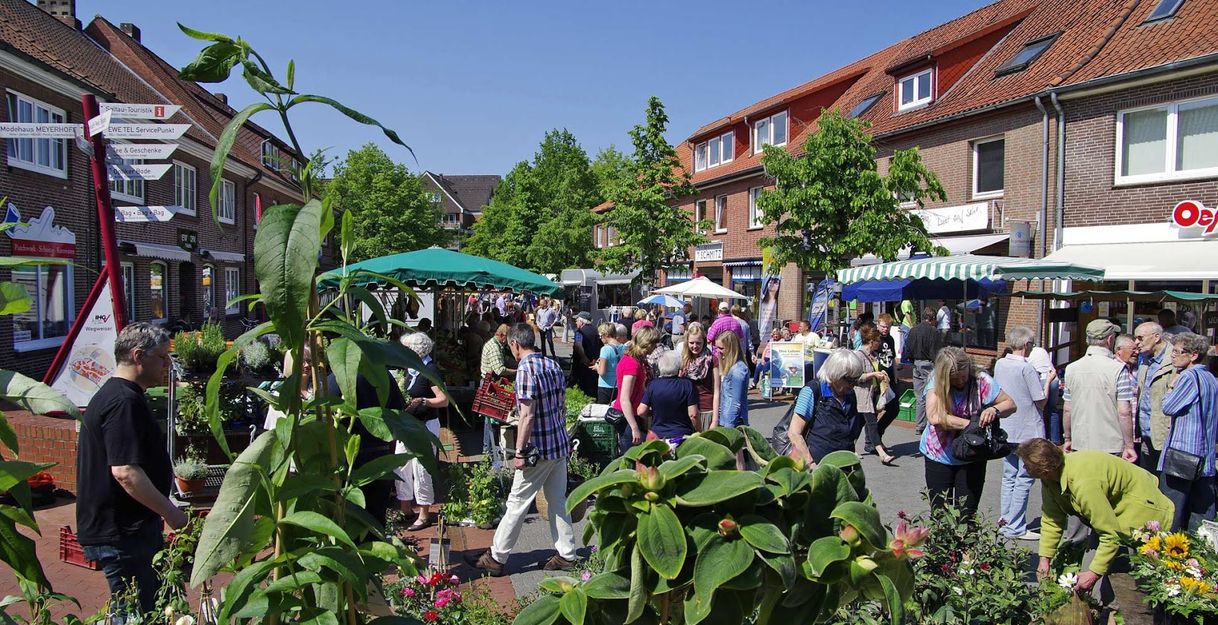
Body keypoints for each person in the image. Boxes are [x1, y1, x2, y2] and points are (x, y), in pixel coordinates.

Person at [77, 323, 188, 615]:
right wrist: (172, 513)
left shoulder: (118, 395)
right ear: (138, 356)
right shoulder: (123, 402)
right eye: (162, 357)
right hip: (123, 533)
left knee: (140, 609)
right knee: (135, 613)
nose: (168, 364)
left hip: (124, 530)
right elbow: (125, 471)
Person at [470, 324, 577, 576]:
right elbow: (561, 406)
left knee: (517, 502)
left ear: (515, 344)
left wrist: (519, 452)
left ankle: (496, 557)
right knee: (557, 501)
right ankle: (567, 554)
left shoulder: (525, 370)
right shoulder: (552, 365)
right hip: (558, 444)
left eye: (511, 346)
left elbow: (527, 416)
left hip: (537, 450)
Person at [1022, 439, 1173, 595]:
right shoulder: (1050, 479)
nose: (1024, 468)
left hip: (1142, 513)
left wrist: (1094, 574)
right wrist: (1044, 559)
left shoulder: (1083, 482)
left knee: (1139, 584)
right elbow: (1052, 519)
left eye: (1026, 465)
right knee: (1093, 582)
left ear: (1045, 470)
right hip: (1111, 517)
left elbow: (1110, 534)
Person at [922, 346, 1016, 517]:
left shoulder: (981, 380)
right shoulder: (936, 380)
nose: (960, 382)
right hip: (940, 455)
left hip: (973, 455)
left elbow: (1010, 404)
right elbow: (935, 417)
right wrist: (971, 426)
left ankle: (966, 535)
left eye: (963, 377)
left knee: (967, 513)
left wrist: (994, 410)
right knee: (940, 514)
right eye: (954, 379)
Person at [1158, 332, 1218, 530]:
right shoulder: (1210, 378)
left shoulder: (1188, 377)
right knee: (1201, 514)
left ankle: (1166, 548)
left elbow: (1168, 407)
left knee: (1171, 510)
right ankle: (1201, 548)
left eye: (1177, 352)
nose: (1173, 356)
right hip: (1205, 455)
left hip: (1183, 454)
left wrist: (1171, 387)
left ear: (1193, 355)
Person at [992, 326, 1047, 541]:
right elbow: (1040, 400)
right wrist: (1049, 380)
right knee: (1024, 478)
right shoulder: (1027, 368)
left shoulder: (1000, 364)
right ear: (1026, 344)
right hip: (1027, 429)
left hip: (1007, 427)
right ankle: (1015, 526)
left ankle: (1006, 520)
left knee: (1009, 476)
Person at [392, 332, 448, 531]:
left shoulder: (430, 370)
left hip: (425, 426)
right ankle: (406, 509)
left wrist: (424, 401)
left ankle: (424, 514)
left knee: (421, 469)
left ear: (416, 350)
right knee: (401, 465)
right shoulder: (409, 369)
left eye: (406, 349)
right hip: (406, 426)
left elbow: (444, 400)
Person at [1063, 319, 1138, 462]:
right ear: (1110, 340)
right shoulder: (1118, 369)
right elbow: (1124, 412)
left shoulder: (1071, 368)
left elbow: (1068, 409)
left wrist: (1068, 438)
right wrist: (1129, 445)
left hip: (1080, 441)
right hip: (1111, 444)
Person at [787, 349, 868, 466]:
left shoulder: (850, 394)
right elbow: (794, 433)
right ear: (835, 375)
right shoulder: (812, 391)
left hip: (844, 465)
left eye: (856, 380)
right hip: (818, 467)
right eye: (850, 380)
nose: (853, 385)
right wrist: (811, 464)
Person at [1134, 321, 1174, 473]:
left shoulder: (1174, 360)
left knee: (1164, 481)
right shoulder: (1145, 360)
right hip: (1145, 434)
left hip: (1163, 434)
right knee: (1148, 479)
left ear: (1156, 337)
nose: (1136, 342)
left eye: (1140, 338)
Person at [613, 326, 660, 452]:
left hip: (632, 414)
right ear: (647, 344)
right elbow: (624, 399)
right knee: (631, 455)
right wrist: (634, 427)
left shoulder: (633, 360)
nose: (655, 347)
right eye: (654, 344)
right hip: (628, 417)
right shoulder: (632, 364)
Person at [638, 351, 700, 444]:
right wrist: (699, 431)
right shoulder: (687, 384)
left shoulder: (653, 385)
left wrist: (654, 413)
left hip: (658, 437)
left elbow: (641, 411)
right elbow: (693, 415)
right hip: (682, 436)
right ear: (678, 366)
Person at [856, 324, 896, 465]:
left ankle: (850, 447)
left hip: (873, 393)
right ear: (871, 341)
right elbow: (856, 377)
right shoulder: (859, 355)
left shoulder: (874, 355)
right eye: (877, 341)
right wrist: (873, 374)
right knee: (872, 423)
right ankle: (882, 454)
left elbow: (876, 369)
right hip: (863, 395)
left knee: (860, 423)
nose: (879, 343)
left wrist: (881, 373)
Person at [904, 307, 943, 436]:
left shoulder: (913, 330)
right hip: (929, 364)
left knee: (920, 396)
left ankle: (919, 425)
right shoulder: (934, 332)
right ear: (933, 319)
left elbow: (908, 349)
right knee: (933, 393)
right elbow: (936, 352)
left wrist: (913, 360)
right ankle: (931, 422)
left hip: (916, 364)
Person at [680, 323, 720, 432]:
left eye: (698, 343)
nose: (695, 346)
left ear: (704, 342)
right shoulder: (684, 359)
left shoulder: (712, 360)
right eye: (691, 343)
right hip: (687, 410)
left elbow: (716, 391)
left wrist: (715, 420)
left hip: (706, 410)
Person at [1027, 343, 1061, 444]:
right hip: (1054, 379)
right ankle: (1055, 439)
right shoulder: (1042, 350)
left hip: (1041, 379)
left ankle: (1041, 438)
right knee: (1052, 409)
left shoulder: (1027, 354)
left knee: (1039, 409)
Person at [716, 330, 750, 428]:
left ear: (730, 349)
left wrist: (729, 426)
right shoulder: (731, 366)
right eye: (717, 347)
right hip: (725, 418)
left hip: (733, 421)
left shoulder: (739, 370)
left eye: (721, 348)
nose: (718, 351)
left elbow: (736, 403)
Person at [573, 312, 603, 397]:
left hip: (582, 363)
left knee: (582, 387)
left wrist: (584, 357)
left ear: (581, 321)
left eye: (577, 320)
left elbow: (578, 345)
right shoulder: (596, 330)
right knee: (593, 385)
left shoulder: (579, 332)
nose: (576, 322)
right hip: (595, 363)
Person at [593, 323, 622, 404]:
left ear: (606, 335)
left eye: (600, 336)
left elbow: (602, 372)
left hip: (606, 385)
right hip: (619, 384)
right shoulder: (623, 347)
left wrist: (597, 366)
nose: (600, 338)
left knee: (604, 409)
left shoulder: (605, 349)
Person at [758, 276, 781, 343]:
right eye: (770, 282)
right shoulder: (764, 300)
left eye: (775, 283)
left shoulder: (776, 302)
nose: (772, 284)